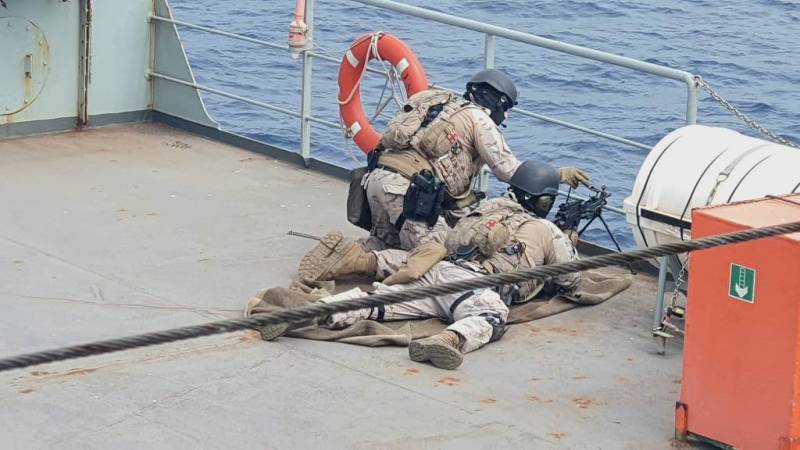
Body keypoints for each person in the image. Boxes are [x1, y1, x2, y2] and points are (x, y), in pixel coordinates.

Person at [283, 161, 580, 370]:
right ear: (544, 202)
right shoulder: (545, 230)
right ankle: (448, 339)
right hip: (472, 288)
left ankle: (305, 314)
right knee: (493, 316)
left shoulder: (486, 207)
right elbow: (571, 280)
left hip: (439, 270)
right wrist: (568, 238)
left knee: (378, 303)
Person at [358, 68, 590, 251]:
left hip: (376, 179)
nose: (506, 116)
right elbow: (510, 172)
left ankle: (345, 255)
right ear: (498, 103)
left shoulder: (434, 101)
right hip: (407, 194)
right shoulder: (480, 120)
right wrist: (557, 175)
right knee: (437, 256)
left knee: (388, 244)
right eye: (506, 109)